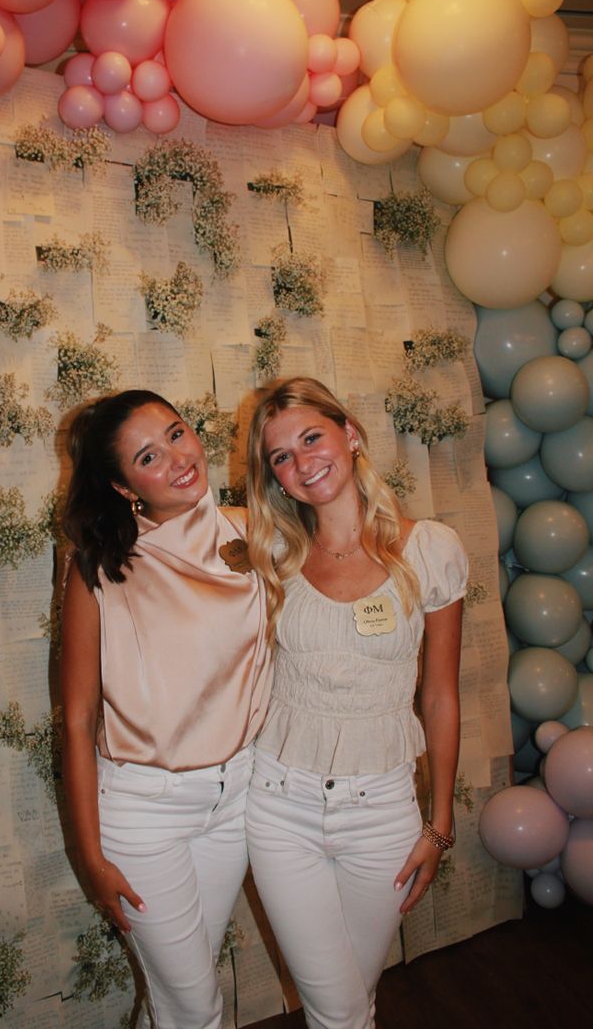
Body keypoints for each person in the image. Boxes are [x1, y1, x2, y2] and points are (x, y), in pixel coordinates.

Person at [245, 377, 467, 1029]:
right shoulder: (273, 552)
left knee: (351, 999)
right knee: (340, 1012)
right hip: (279, 806)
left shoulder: (430, 549)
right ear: (275, 478)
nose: (300, 461)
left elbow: (441, 694)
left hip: (383, 812)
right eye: (280, 456)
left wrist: (440, 821)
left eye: (311, 437)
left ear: (351, 434)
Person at [60, 389, 271, 1029]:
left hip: (237, 799)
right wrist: (90, 854)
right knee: (195, 1008)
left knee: (182, 994)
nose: (179, 459)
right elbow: (74, 717)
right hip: (146, 811)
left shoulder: (250, 529)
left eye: (177, 434)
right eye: (149, 456)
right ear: (125, 488)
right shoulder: (99, 567)